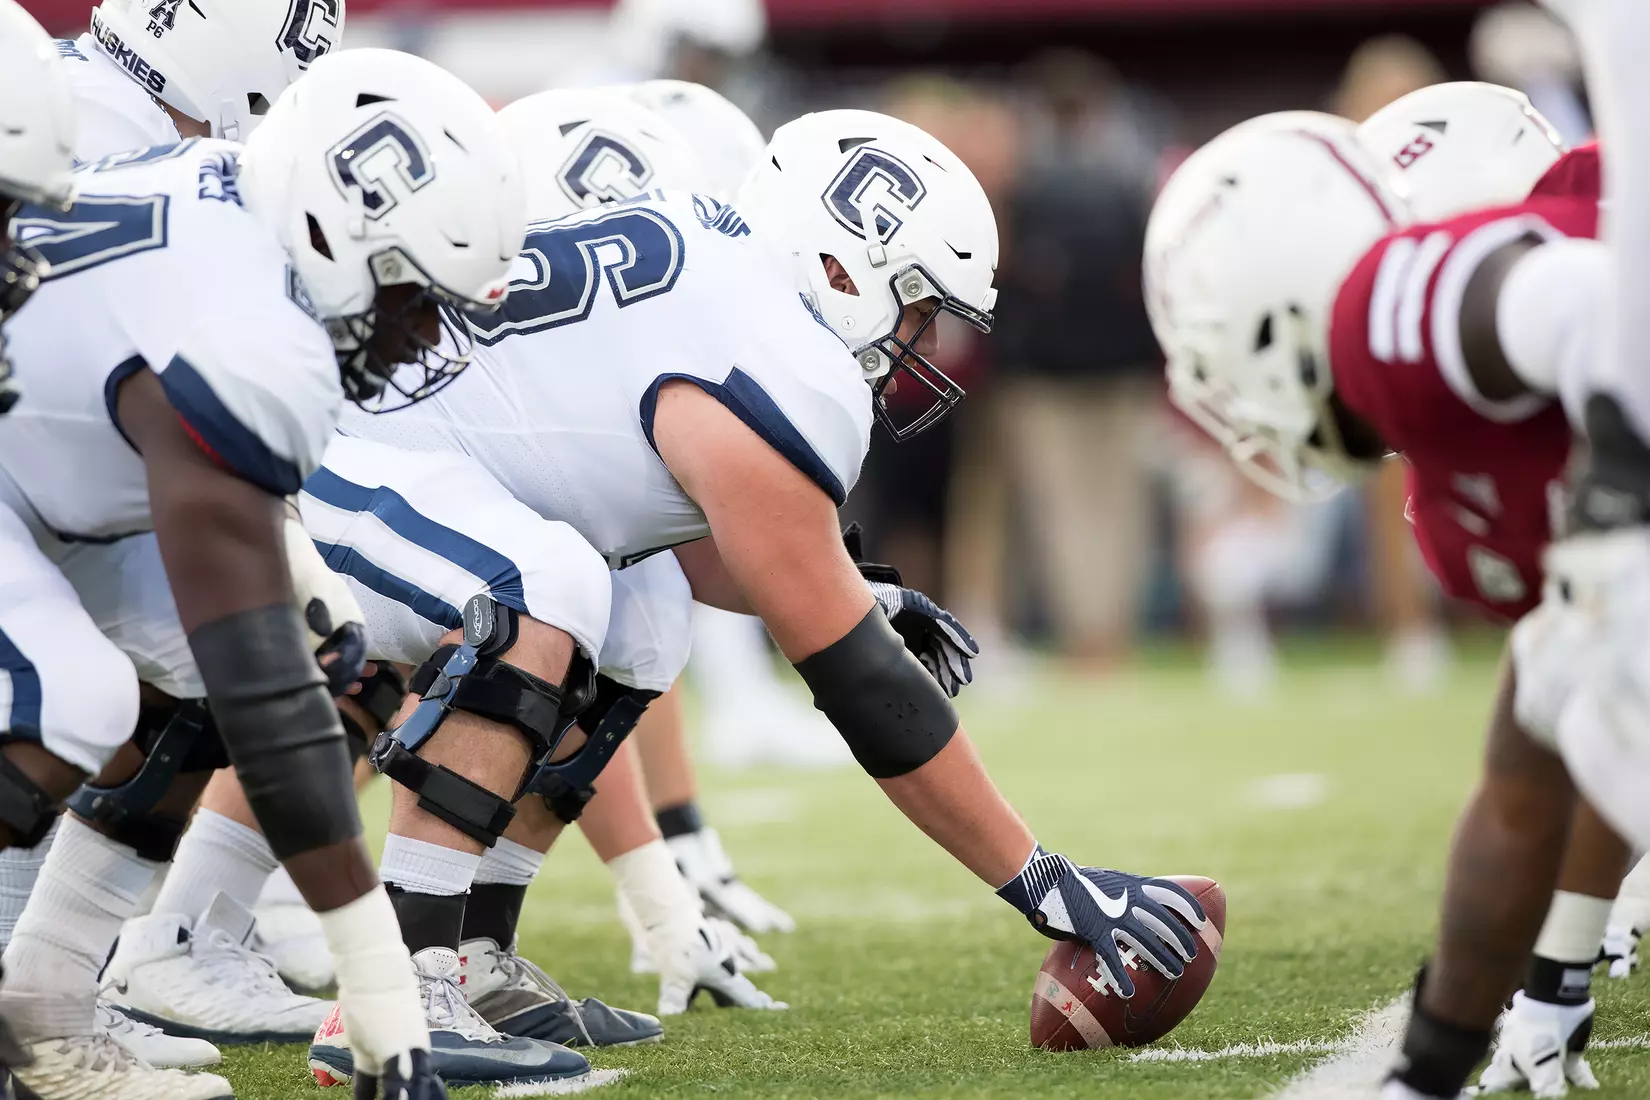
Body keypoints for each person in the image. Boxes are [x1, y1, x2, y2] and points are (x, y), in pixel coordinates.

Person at [296, 106, 1206, 1081]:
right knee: (545, 587)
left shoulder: (725, 273)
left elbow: (701, 545)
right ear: (844, 269)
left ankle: (473, 954)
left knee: (642, 619)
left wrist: (856, 595)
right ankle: (395, 987)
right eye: (915, 304)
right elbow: (861, 688)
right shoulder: (781, 353)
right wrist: (1040, 879)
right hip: (326, 462)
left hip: (391, 460)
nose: (921, 340)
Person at [0, 45, 529, 1100]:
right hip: (26, 474)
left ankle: (43, 1012)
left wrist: (288, 562)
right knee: (77, 691)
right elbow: (268, 702)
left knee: (197, 674)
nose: (427, 333)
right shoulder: (256, 334)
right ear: (336, 234)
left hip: (42, 467)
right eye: (416, 295)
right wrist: (379, 985)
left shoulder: (241, 211)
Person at [1142, 108, 1623, 1100]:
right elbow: (1540, 764)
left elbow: (1593, 305)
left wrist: (1620, 519)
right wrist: (1459, 1048)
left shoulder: (1383, 315)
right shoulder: (1449, 508)